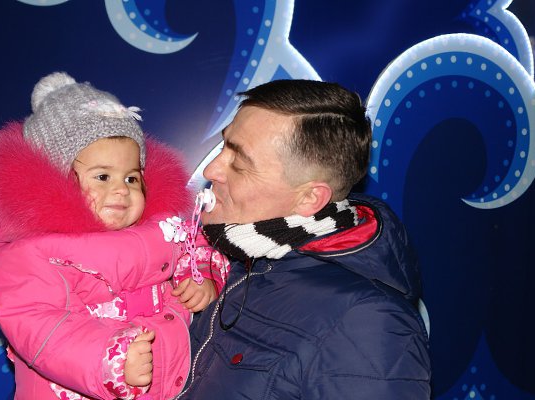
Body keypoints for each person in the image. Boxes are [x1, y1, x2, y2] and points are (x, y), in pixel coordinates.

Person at [0, 72, 228, 399]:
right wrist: (112, 360)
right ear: (56, 181)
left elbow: (197, 247)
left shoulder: (163, 229)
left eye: (132, 178)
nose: (121, 189)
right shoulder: (26, 254)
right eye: (103, 177)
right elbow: (41, 329)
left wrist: (201, 276)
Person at [178, 79, 431, 399]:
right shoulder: (229, 257)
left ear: (310, 198)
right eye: (223, 146)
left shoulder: (365, 323)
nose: (212, 170)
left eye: (239, 163)